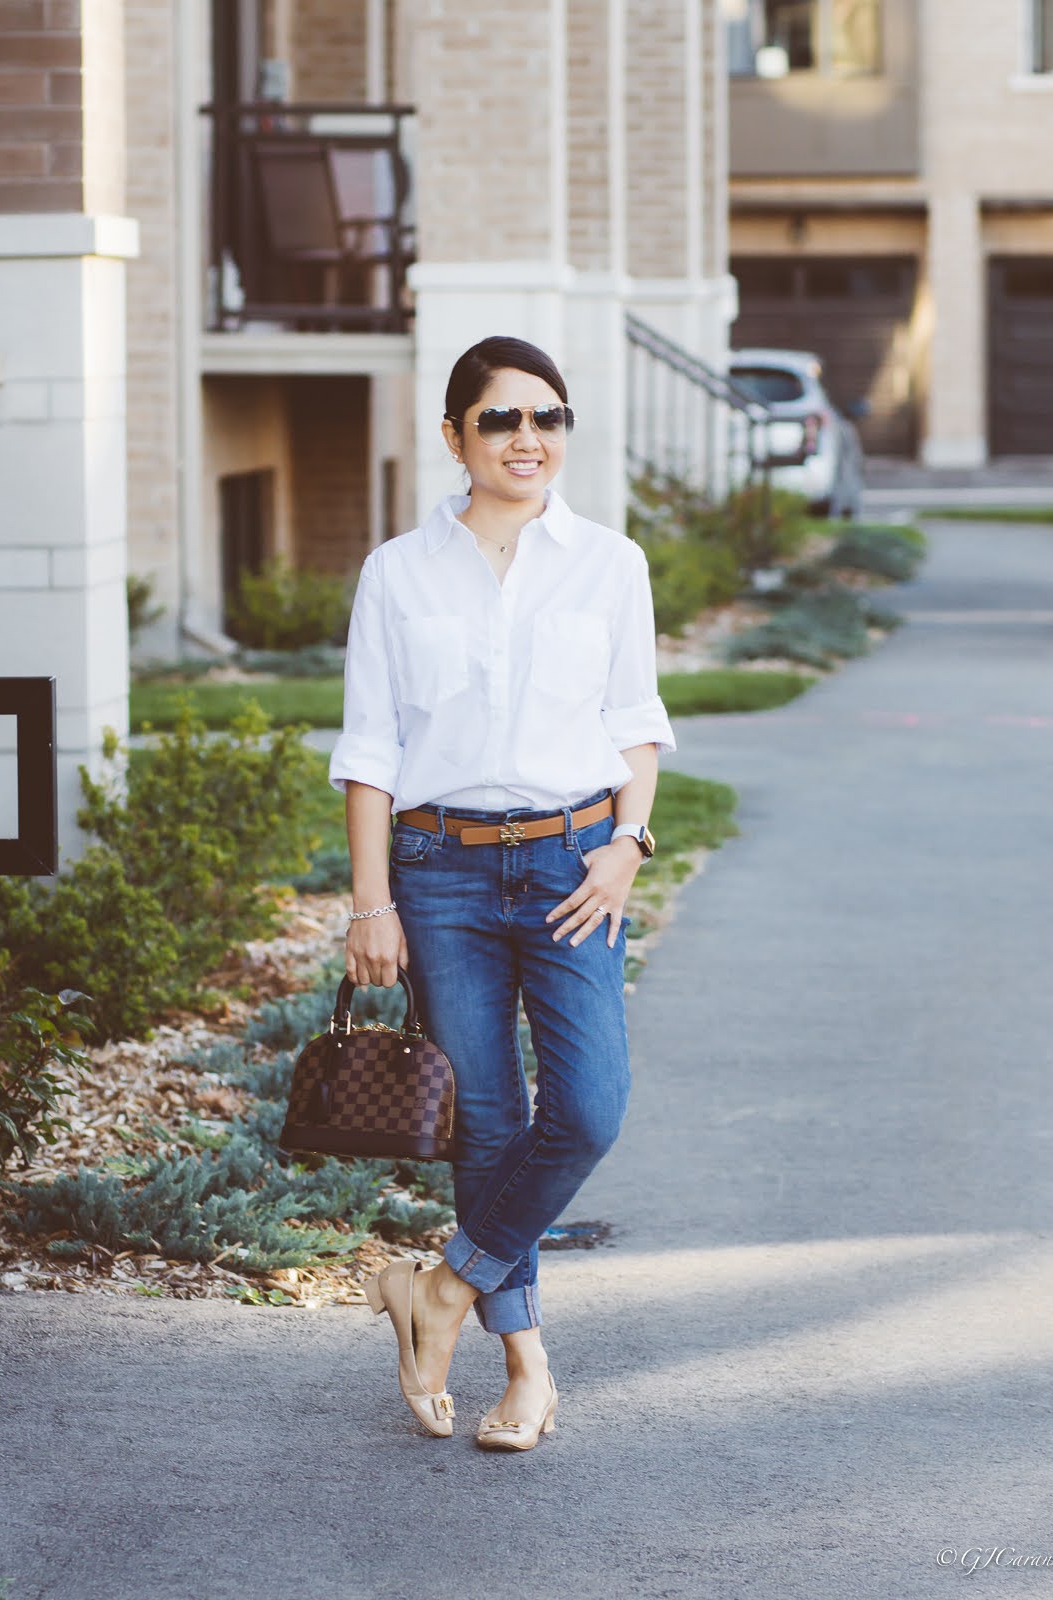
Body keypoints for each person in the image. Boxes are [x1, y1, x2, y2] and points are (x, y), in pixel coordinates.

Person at [329, 335, 675, 1450]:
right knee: (487, 1118)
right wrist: (369, 900)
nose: (529, 438)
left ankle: (440, 1288)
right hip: (440, 873)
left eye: (549, 418)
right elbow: (372, 746)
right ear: (454, 436)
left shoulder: (610, 562)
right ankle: (525, 1369)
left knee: (587, 1108)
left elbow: (636, 723)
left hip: (578, 866)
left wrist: (629, 841)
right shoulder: (397, 571)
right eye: (501, 419)